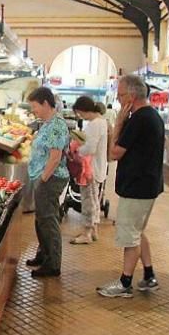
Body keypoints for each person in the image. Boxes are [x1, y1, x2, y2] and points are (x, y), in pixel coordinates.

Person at [97, 75, 164, 298]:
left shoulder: (138, 119)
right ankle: (149, 275)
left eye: (120, 96)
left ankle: (125, 283)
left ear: (131, 96)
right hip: (149, 185)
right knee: (137, 231)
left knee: (130, 238)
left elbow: (113, 153)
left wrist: (117, 124)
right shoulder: (153, 115)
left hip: (136, 187)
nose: (118, 100)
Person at [26, 87, 70, 277]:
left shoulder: (57, 125)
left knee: (48, 219)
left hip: (50, 178)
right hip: (43, 177)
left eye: (35, 107)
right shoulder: (48, 122)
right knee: (41, 219)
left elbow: (55, 157)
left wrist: (43, 179)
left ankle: (53, 264)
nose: (33, 111)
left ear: (45, 103)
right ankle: (43, 254)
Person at [70, 96, 108, 245]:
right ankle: (94, 230)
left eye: (79, 113)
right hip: (97, 168)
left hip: (89, 169)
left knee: (88, 201)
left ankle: (86, 233)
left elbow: (90, 148)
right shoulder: (102, 122)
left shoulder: (94, 124)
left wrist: (77, 150)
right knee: (94, 200)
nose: (79, 116)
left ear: (83, 110)